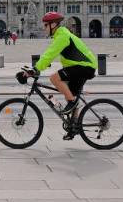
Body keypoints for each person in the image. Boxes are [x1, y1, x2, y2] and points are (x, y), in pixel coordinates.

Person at [23, 12, 97, 140]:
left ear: (53, 25)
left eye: (46, 25)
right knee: (71, 94)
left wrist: (35, 69)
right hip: (81, 66)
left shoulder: (62, 36)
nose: (44, 28)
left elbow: (50, 54)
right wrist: (41, 66)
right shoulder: (60, 35)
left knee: (54, 78)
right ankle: (74, 127)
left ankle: (72, 103)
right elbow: (51, 56)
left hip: (84, 67)